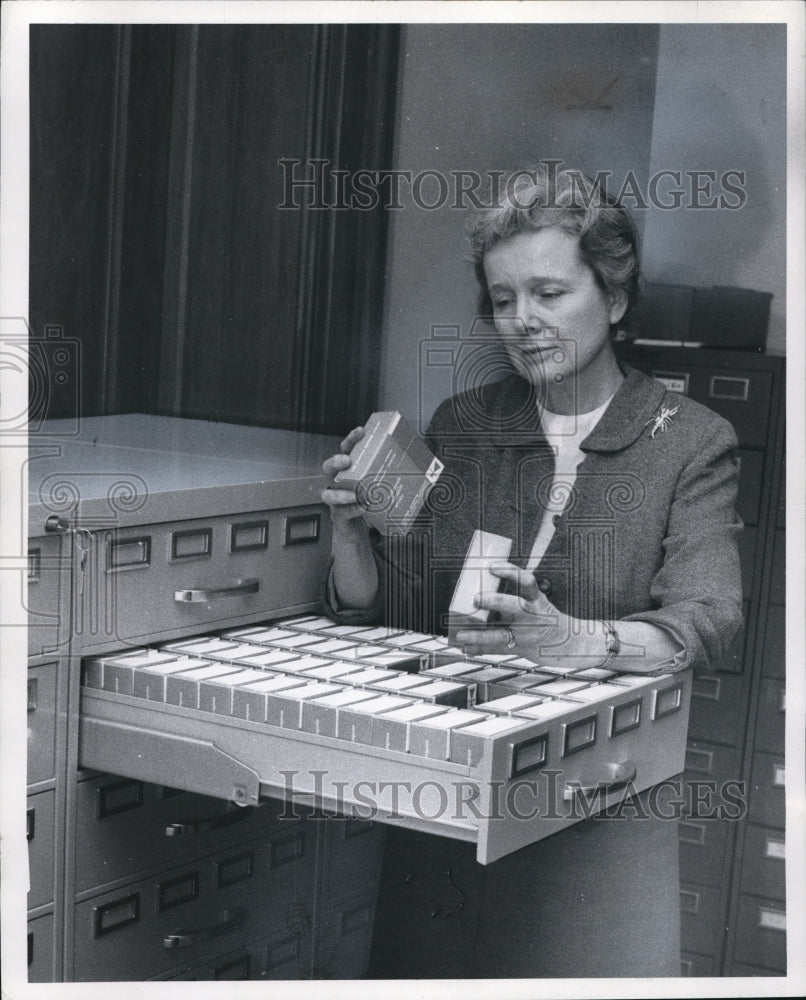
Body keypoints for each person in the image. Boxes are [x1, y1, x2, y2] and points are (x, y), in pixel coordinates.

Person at [320, 164, 743, 978]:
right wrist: (347, 534)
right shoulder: (466, 426)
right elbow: (396, 610)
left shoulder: (689, 439)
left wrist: (573, 638)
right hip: (451, 801)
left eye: (549, 293)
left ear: (614, 299)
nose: (523, 321)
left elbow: (708, 618)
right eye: (504, 298)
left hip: (593, 814)